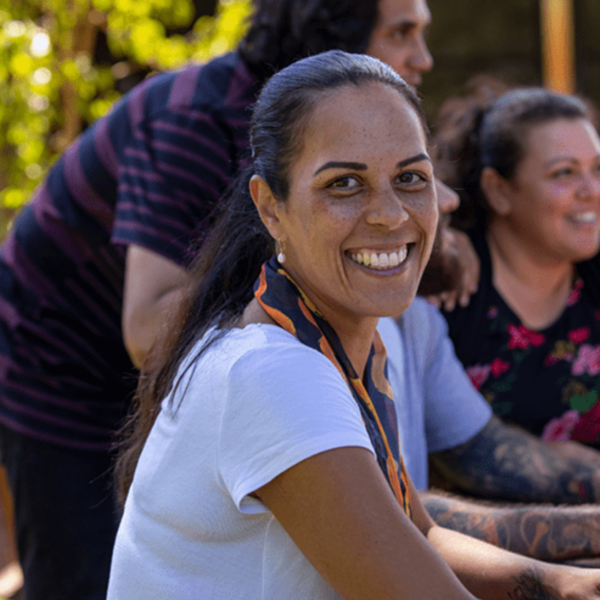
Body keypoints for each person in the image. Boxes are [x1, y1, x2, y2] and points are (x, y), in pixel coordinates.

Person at [108, 49, 600, 600]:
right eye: (344, 184)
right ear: (271, 208)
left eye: (410, 178)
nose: (390, 214)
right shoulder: (274, 375)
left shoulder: (345, 341)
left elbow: (421, 535)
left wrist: (570, 584)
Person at [0, 1, 437, 598]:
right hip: (58, 370)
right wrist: (267, 372)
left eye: (412, 179)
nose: (423, 57)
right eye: (402, 32)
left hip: (178, 376)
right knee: (77, 576)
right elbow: (146, 325)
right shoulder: (195, 121)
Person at [433, 82, 600, 448]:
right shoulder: (447, 287)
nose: (592, 189)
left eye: (597, 169)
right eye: (564, 173)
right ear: (499, 191)